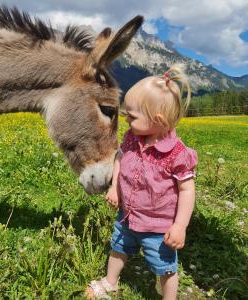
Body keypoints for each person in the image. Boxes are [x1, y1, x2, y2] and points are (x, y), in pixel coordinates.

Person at [85, 65, 198, 300]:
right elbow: (120, 158)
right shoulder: (132, 138)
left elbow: (186, 190)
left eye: (132, 116)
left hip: (158, 228)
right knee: (118, 249)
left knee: (166, 267)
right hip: (127, 216)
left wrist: (180, 226)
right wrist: (115, 186)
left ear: (156, 120)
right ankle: (110, 282)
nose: (126, 119)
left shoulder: (177, 154)